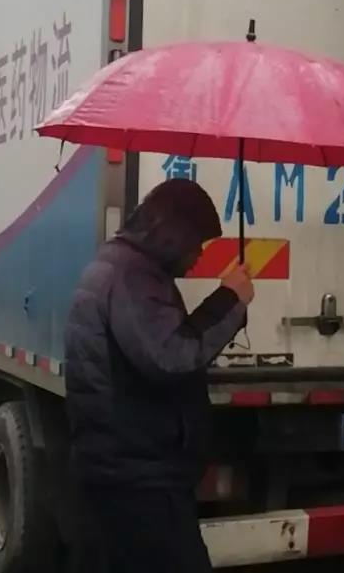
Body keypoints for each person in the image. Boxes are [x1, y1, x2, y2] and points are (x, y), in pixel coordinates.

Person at [64, 178, 254, 573]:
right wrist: (230, 299)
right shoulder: (132, 277)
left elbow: (164, 342)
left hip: (119, 473)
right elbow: (171, 355)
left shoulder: (120, 267)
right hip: (139, 485)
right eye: (196, 243)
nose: (199, 255)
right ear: (172, 234)